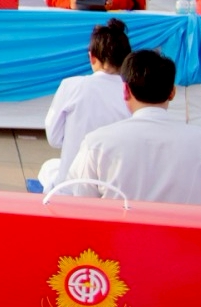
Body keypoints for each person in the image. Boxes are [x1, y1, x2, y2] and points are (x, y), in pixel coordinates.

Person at [70, 50, 201, 206]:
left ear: (125, 91)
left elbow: (80, 202)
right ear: (172, 92)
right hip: (187, 230)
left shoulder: (97, 143)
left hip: (118, 230)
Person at [37, 19, 133, 189]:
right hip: (116, 187)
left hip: (72, 187)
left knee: (48, 168)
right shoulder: (134, 94)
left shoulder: (71, 85)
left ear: (92, 56)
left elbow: (54, 138)